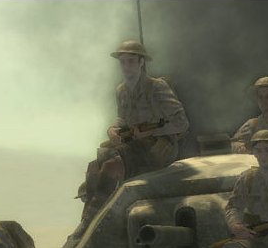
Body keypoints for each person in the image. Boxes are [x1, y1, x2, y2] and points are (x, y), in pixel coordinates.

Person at [74, 40, 191, 235]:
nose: (126, 66)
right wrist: (113, 129)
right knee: (94, 166)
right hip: (135, 143)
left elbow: (181, 123)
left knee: (111, 166)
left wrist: (152, 132)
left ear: (141, 63)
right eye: (123, 62)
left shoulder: (157, 87)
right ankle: (88, 218)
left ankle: (91, 223)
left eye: (131, 61)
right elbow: (122, 118)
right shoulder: (121, 90)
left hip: (160, 146)